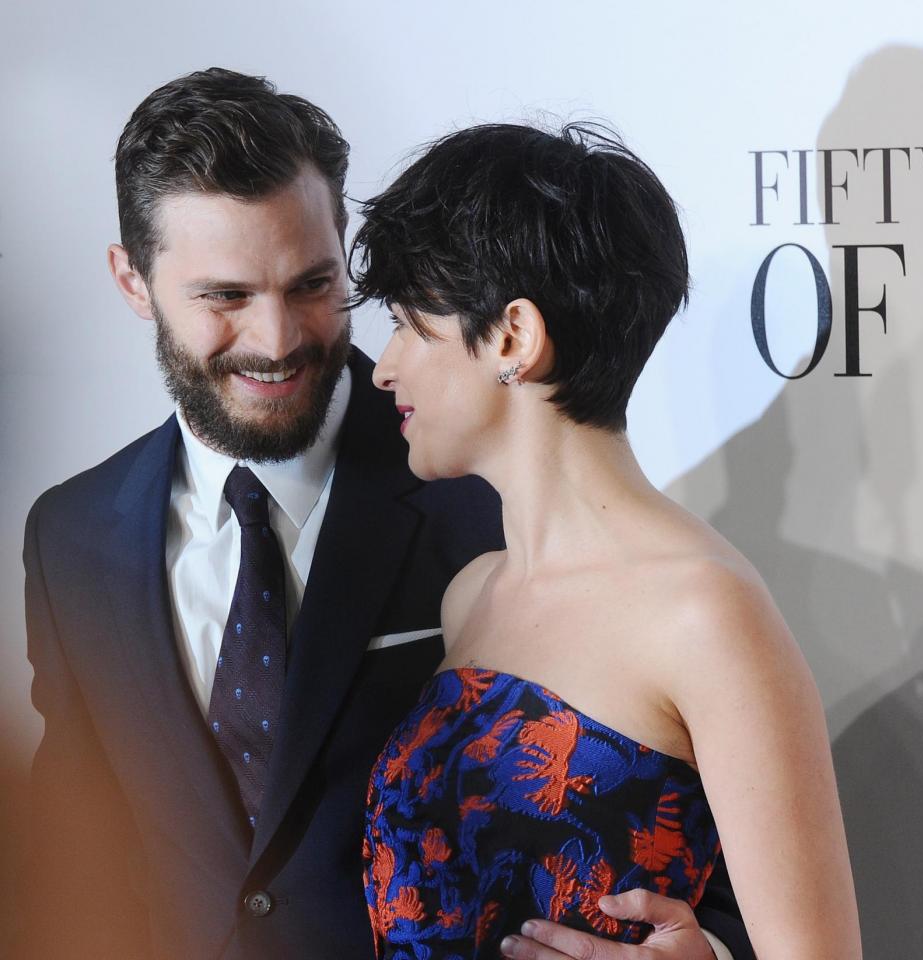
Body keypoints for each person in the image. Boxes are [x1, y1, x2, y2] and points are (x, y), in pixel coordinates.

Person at [19, 68, 751, 960]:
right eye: (227, 296)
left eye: (312, 284)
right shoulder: (71, 539)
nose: (278, 339)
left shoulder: (497, 494)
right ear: (133, 281)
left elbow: (687, 846)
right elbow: (72, 858)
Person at [355, 123, 861, 960]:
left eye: (410, 323)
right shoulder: (470, 595)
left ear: (513, 337)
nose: (383, 367)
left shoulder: (704, 611)